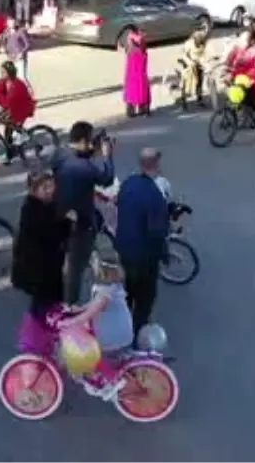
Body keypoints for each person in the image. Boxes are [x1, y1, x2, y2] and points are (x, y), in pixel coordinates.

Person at [52, 121, 116, 304]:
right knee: (75, 270)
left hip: (60, 213)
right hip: (79, 224)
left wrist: (91, 150)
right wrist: (107, 155)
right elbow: (107, 178)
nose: (91, 145)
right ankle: (69, 307)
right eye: (89, 141)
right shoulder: (84, 167)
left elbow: (77, 157)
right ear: (81, 141)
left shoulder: (60, 154)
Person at [57, 251, 135, 398]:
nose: (92, 267)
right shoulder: (109, 286)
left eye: (95, 265)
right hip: (114, 329)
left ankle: (110, 382)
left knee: (91, 355)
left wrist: (67, 322)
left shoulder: (106, 294)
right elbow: (92, 305)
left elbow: (90, 313)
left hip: (113, 336)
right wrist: (78, 309)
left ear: (102, 270)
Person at [111, 148, 170, 337]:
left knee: (128, 293)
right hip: (144, 256)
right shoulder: (154, 194)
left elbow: (118, 204)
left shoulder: (128, 183)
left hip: (124, 249)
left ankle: (122, 330)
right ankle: (136, 335)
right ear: (157, 164)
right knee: (145, 297)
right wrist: (164, 254)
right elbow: (157, 231)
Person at [11, 169, 72, 322]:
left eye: (51, 186)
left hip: (43, 267)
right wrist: (68, 222)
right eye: (45, 188)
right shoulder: (34, 212)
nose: (50, 191)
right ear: (34, 190)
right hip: (40, 269)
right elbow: (53, 234)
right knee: (45, 302)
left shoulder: (42, 206)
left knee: (43, 302)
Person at [0, 61, 36, 141]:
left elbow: (8, 104)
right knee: (6, 125)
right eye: (1, 71)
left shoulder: (16, 84)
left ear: (10, 72)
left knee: (5, 118)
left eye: (3, 72)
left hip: (23, 107)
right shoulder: (2, 81)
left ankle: (22, 133)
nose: (1, 73)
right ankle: (11, 147)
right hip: (12, 106)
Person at [122, 28, 151, 117]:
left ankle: (131, 111)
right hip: (140, 75)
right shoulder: (141, 49)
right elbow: (141, 44)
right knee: (142, 91)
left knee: (131, 92)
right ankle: (143, 109)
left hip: (131, 75)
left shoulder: (130, 50)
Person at [179, 30, 210, 105]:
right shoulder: (188, 44)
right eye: (199, 41)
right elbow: (183, 55)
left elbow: (205, 53)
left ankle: (199, 97)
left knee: (200, 79)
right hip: (188, 61)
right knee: (186, 79)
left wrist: (206, 61)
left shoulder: (203, 43)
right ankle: (184, 98)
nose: (200, 43)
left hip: (198, 62)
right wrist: (190, 62)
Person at [3, 18, 31, 82]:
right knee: (12, 78)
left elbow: (27, 44)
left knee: (22, 79)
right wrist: (5, 49)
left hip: (19, 58)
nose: (11, 25)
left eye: (13, 23)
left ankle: (28, 91)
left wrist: (21, 53)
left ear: (15, 23)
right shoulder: (6, 32)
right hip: (10, 58)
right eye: (9, 23)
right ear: (7, 24)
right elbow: (4, 42)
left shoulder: (20, 31)